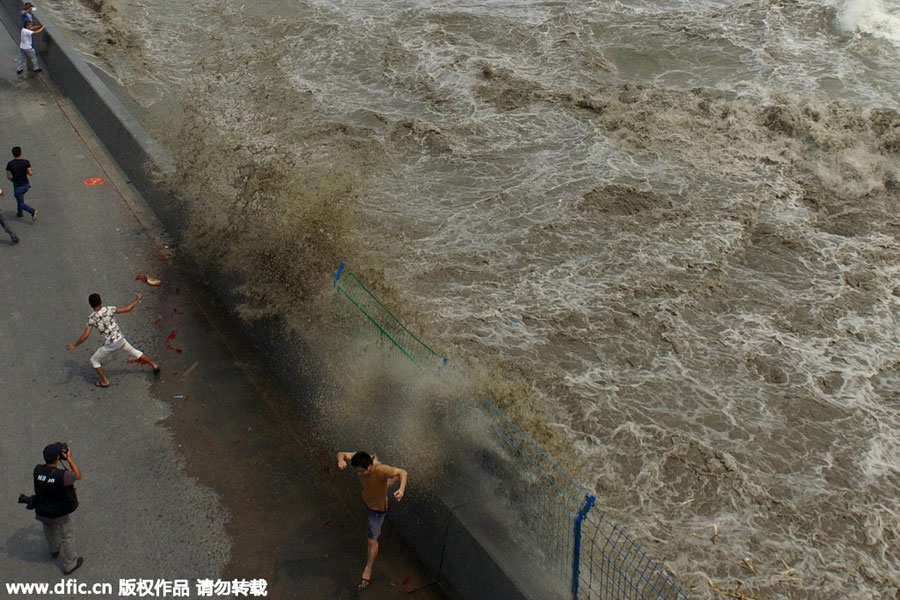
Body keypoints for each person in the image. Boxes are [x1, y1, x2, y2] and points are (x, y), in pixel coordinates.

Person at [336, 451, 408, 589]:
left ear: (369, 467)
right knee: (383, 484)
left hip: (376, 509)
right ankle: (390, 481)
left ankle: (368, 568)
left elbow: (403, 472)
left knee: (372, 541)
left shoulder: (380, 470)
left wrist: (402, 490)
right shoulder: (362, 458)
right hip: (370, 496)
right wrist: (341, 461)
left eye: (361, 472)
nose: (359, 474)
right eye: (356, 471)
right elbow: (342, 453)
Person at [66, 292, 160, 387]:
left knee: (94, 360)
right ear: (100, 301)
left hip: (110, 345)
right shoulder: (109, 309)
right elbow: (127, 309)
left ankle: (105, 381)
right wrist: (137, 299)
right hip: (121, 339)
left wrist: (75, 345)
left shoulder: (92, 318)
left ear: (91, 305)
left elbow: (86, 335)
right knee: (135, 352)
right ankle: (154, 365)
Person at [33, 442, 84, 575]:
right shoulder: (63, 476)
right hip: (59, 514)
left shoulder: (37, 470)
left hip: (42, 510)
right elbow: (77, 475)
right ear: (58, 458)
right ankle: (70, 563)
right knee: (67, 537)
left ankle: (54, 550)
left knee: (49, 531)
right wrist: (69, 459)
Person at [6, 146, 37, 221]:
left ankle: (32, 211)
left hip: (18, 186)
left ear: (13, 154)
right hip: (26, 185)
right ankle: (20, 213)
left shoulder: (10, 164)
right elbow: (30, 173)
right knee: (20, 199)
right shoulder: (26, 162)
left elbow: (8, 176)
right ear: (21, 153)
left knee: (20, 202)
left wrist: (13, 180)